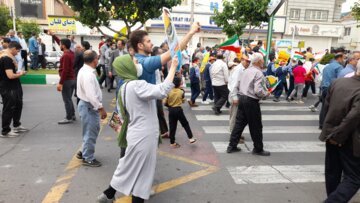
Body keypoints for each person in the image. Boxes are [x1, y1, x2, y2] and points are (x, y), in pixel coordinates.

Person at [97, 55, 178, 203]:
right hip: (144, 136)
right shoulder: (137, 85)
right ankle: (109, 194)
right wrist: (173, 67)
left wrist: (119, 132)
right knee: (142, 174)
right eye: (133, 62)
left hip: (136, 134)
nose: (137, 63)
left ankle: (109, 194)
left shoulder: (123, 87)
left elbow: (120, 114)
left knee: (131, 169)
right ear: (127, 67)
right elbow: (162, 91)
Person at [319, 67, 360, 203]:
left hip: (331, 135)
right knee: (354, 178)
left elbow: (326, 107)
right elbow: (352, 118)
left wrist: (329, 132)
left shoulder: (337, 82)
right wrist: (337, 136)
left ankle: (332, 197)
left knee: (332, 173)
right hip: (349, 139)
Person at [226, 53, 270, 156]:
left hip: (242, 99)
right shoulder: (258, 73)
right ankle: (258, 149)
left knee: (239, 124)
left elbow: (237, 85)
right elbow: (258, 90)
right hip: (251, 101)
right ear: (258, 61)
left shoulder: (245, 71)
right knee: (256, 126)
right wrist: (266, 94)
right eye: (262, 60)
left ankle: (231, 146)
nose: (263, 62)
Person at [76, 50, 107, 167]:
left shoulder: (84, 70)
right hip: (89, 106)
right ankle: (88, 158)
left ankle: (84, 151)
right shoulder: (88, 74)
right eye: (97, 58)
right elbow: (91, 95)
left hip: (87, 105)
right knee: (91, 132)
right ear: (95, 60)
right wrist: (101, 108)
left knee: (89, 130)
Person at [0, 41, 28, 137]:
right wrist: (21, 74)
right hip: (8, 87)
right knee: (9, 108)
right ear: (13, 48)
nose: (18, 53)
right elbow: (10, 76)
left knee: (18, 105)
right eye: (18, 50)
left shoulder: (9, 56)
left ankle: (16, 125)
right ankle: (5, 130)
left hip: (15, 86)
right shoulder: (6, 58)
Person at [165, 76, 197, 148]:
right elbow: (183, 100)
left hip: (171, 110)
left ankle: (172, 142)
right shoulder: (181, 92)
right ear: (179, 84)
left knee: (172, 126)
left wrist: (170, 106)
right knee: (185, 124)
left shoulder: (168, 91)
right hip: (178, 110)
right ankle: (191, 138)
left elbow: (165, 102)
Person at [319, 53, 344, 129]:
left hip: (324, 88)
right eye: (343, 58)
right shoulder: (339, 67)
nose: (343, 60)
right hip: (332, 89)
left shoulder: (327, 66)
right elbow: (340, 79)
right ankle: (328, 125)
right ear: (339, 58)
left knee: (324, 107)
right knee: (332, 108)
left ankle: (321, 124)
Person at [229, 55, 250, 135]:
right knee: (234, 116)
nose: (248, 63)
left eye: (249, 61)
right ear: (242, 60)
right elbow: (234, 84)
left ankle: (235, 134)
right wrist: (234, 97)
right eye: (247, 61)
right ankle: (233, 134)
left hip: (238, 95)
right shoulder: (239, 69)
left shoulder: (242, 69)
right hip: (235, 95)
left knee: (236, 115)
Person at [57, 38, 76, 124]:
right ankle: (72, 115)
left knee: (67, 99)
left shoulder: (66, 56)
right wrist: (54, 36)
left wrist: (60, 83)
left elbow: (65, 70)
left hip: (67, 80)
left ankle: (68, 117)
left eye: (61, 44)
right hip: (72, 79)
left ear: (63, 46)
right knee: (69, 98)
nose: (60, 45)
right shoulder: (71, 53)